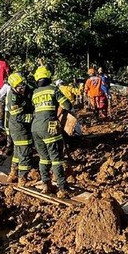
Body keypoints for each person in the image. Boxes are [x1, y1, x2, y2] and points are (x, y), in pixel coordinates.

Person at [31, 66, 73, 197]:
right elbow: (68, 105)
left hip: (35, 128)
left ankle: (46, 185)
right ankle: (62, 188)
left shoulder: (35, 93)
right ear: (48, 77)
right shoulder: (53, 89)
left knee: (43, 159)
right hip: (49, 127)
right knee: (56, 159)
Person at [6, 73, 34, 184]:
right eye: (19, 87)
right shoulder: (13, 98)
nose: (22, 88)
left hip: (20, 127)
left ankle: (13, 174)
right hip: (19, 129)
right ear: (13, 87)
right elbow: (18, 117)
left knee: (17, 153)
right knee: (25, 152)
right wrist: (34, 118)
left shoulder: (25, 90)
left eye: (23, 85)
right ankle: (22, 178)